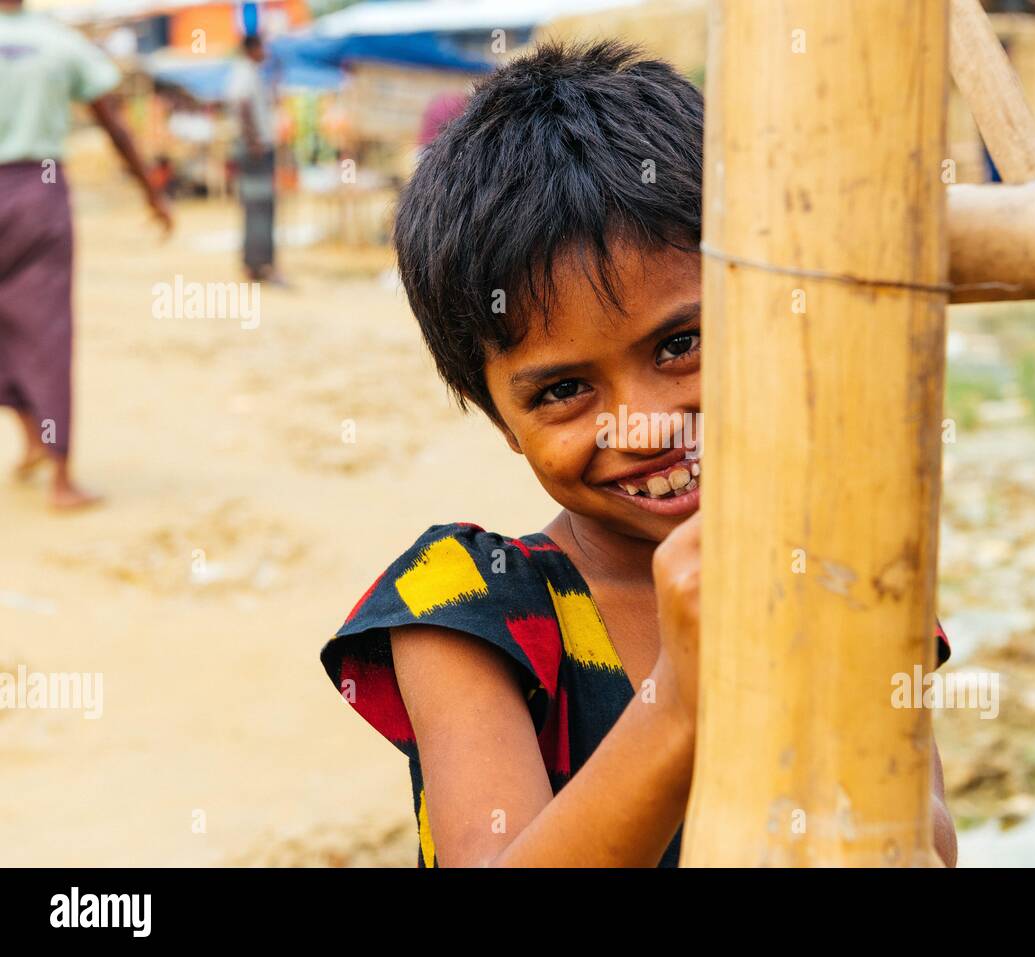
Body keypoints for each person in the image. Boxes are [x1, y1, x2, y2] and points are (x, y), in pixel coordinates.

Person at [319, 42, 957, 868]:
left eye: (681, 343)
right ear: (501, 420)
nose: (646, 423)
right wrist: (684, 701)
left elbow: (926, 846)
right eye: (562, 392)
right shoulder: (469, 608)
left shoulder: (840, 562)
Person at [0, 0, 172, 509]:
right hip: (39, 191)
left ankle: (31, 435)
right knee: (46, 325)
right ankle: (60, 477)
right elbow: (112, 122)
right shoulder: (60, 41)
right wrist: (151, 190)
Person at [226, 33, 283, 284]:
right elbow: (242, 105)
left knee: (256, 208)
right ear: (253, 48)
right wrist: (254, 142)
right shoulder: (245, 74)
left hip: (254, 149)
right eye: (263, 47)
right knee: (260, 208)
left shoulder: (248, 73)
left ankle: (256, 263)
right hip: (255, 152)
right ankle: (260, 265)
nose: (266, 52)